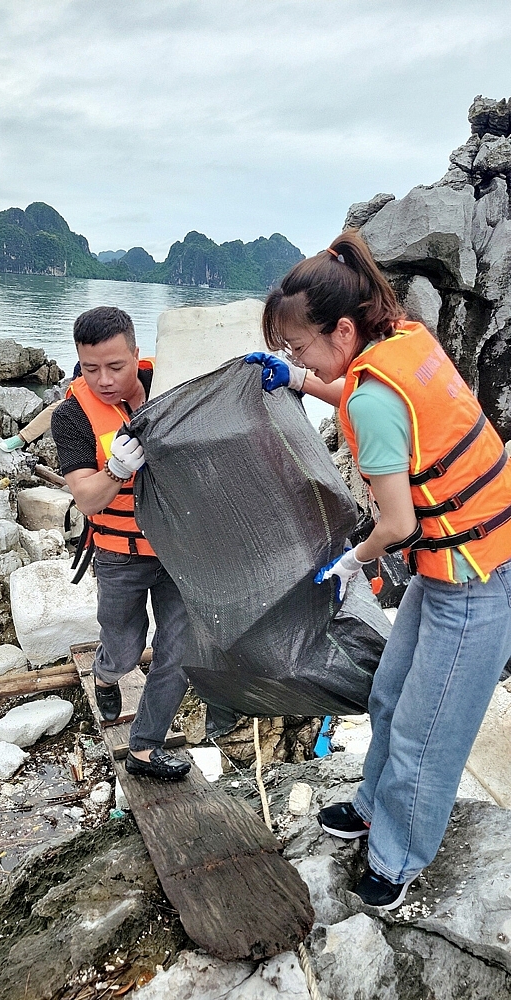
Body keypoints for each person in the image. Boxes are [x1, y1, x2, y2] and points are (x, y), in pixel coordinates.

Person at [246, 231, 511, 910]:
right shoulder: (402, 341)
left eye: (298, 348)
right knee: (392, 691)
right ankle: (372, 807)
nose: (294, 356)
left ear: (341, 329)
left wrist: (349, 563)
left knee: (431, 728)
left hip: (476, 577)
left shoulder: (371, 394)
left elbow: (398, 525)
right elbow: (370, 400)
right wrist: (300, 380)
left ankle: (397, 859)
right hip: (450, 563)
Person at [51, 305, 191, 782]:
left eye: (116, 366)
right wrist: (116, 469)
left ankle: (145, 748)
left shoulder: (173, 383)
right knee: (126, 649)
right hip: (119, 555)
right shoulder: (72, 415)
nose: (104, 380)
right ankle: (107, 673)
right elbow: (88, 500)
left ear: (136, 353)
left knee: (179, 652)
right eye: (91, 369)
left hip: (179, 553)